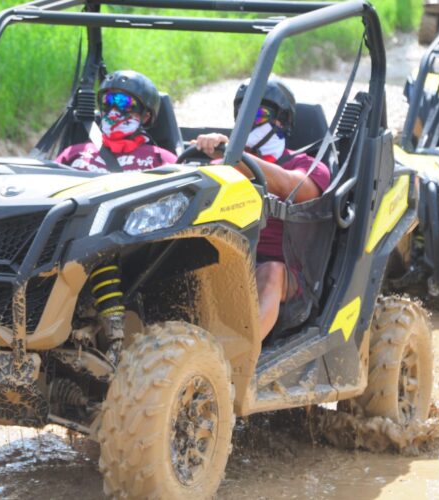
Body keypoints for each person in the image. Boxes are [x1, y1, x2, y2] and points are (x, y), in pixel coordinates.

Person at [194, 78, 331, 340]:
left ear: (282, 121)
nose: (248, 121)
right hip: (230, 259)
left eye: (258, 113)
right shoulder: (226, 163)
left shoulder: (307, 165)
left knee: (271, 272)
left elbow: (291, 186)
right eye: (243, 114)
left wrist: (234, 156)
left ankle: (239, 361)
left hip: (289, 273)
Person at [56, 70, 177, 172]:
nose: (113, 112)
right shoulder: (72, 154)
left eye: (124, 103)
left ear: (145, 116)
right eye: (107, 102)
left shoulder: (163, 160)